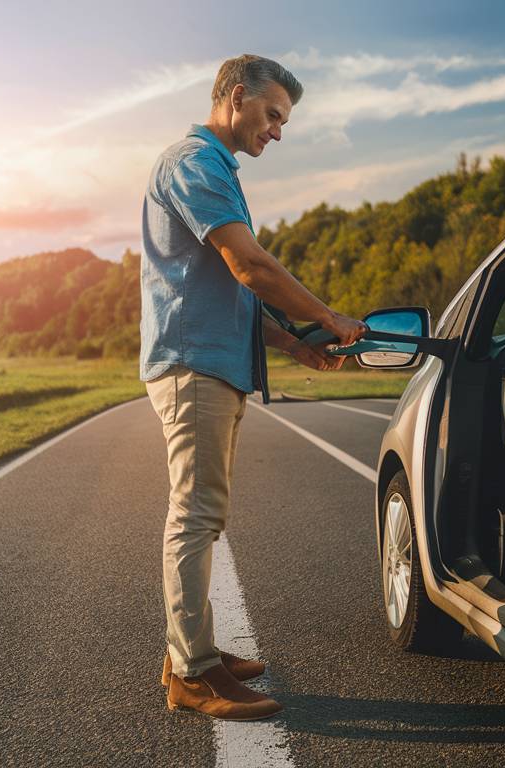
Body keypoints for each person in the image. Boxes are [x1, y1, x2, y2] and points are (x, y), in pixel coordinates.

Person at [139, 54, 367, 721]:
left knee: (203, 514)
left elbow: (240, 296)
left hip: (215, 363)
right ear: (236, 98)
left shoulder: (216, 170)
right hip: (194, 366)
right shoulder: (194, 163)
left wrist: (297, 343)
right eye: (272, 115)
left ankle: (193, 648)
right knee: (195, 515)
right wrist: (325, 316)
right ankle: (193, 674)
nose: (277, 131)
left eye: (283, 121)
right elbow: (250, 266)